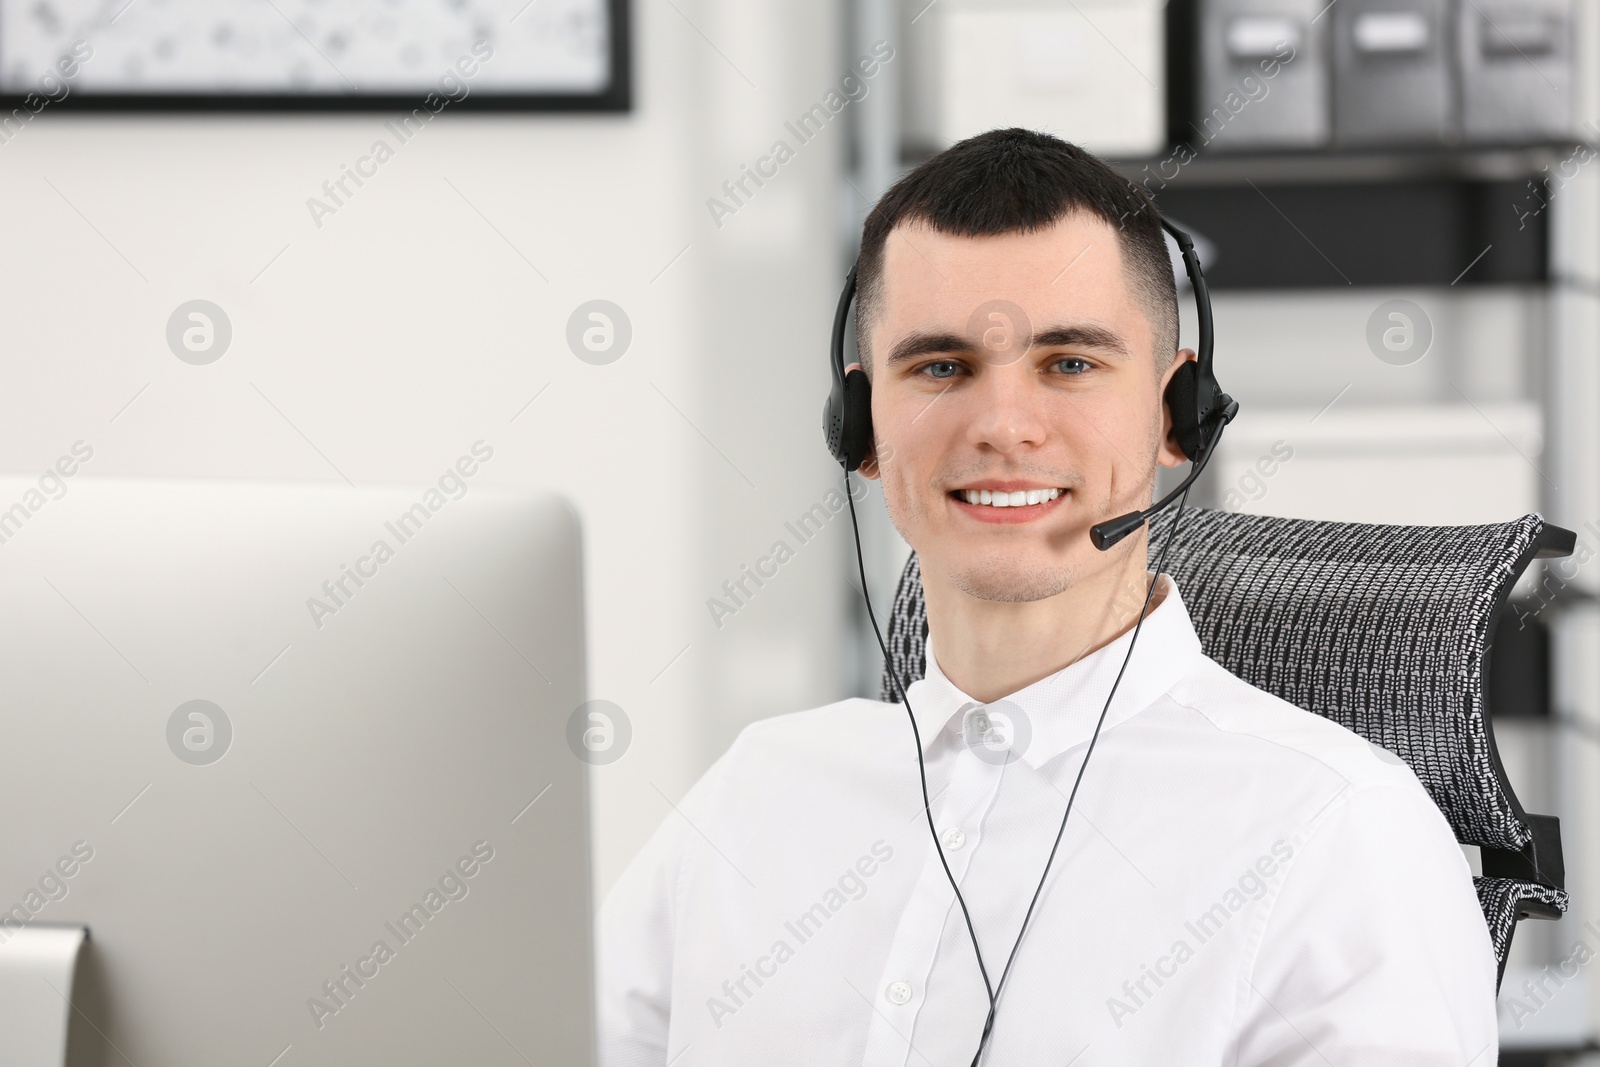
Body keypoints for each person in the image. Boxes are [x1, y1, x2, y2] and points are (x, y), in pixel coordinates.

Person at [595, 128, 1498, 1066]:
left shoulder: (1337, 837)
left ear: (1177, 413)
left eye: (1070, 363)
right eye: (940, 367)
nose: (1003, 427)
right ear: (861, 427)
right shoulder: (754, 797)